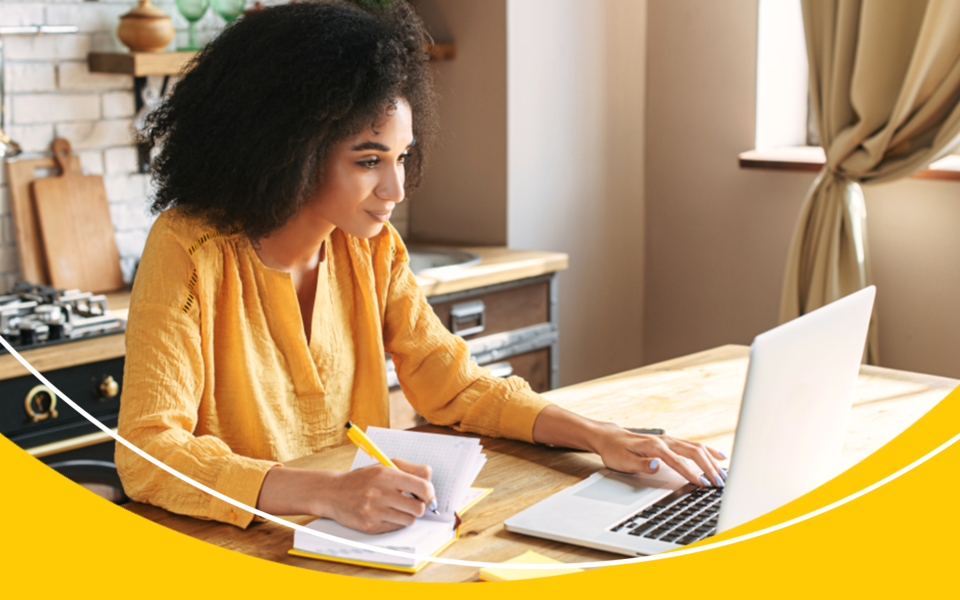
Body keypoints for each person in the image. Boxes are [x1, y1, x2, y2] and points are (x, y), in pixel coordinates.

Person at [117, 0, 726, 535]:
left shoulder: (369, 247)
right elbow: (148, 453)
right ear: (286, 150)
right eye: (368, 160)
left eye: (402, 157)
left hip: (366, 539)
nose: (395, 188)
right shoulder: (189, 249)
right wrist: (328, 494)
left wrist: (600, 436)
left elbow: (454, 387)